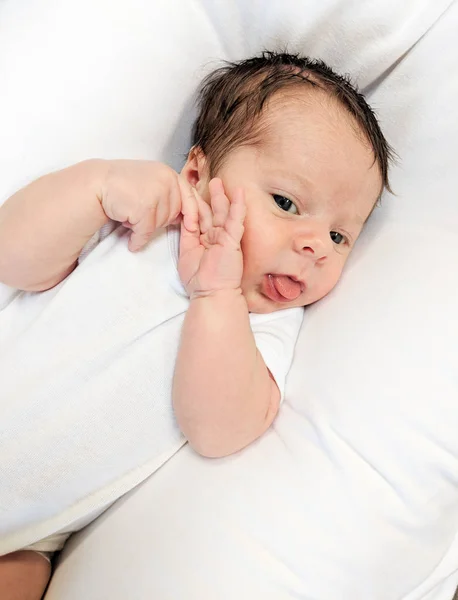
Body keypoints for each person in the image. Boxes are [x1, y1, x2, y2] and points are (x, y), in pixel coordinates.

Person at [0, 51, 392, 599]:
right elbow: (13, 259)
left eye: (340, 236)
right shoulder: (142, 220)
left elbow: (219, 428)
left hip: (24, 537)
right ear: (197, 175)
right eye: (286, 202)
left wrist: (217, 295)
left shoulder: (263, 328)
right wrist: (96, 185)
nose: (315, 247)